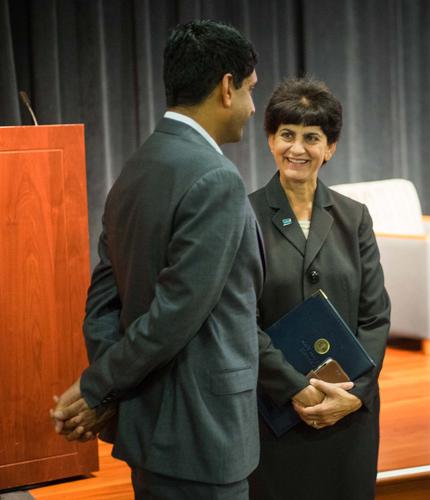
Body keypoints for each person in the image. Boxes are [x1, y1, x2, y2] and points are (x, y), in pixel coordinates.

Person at [50, 20, 264, 499]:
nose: (253, 108)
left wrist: (109, 393)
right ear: (226, 88)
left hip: (150, 430)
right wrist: (95, 389)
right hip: (204, 436)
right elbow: (175, 313)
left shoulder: (137, 167)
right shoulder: (217, 180)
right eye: (251, 91)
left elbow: (104, 299)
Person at [248, 77, 390, 500]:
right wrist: (295, 387)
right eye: (287, 134)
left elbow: (376, 316)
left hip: (349, 412)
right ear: (270, 140)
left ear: (329, 148)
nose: (297, 148)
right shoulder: (245, 216)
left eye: (312, 137)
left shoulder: (354, 217)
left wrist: (355, 394)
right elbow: (241, 320)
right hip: (275, 411)